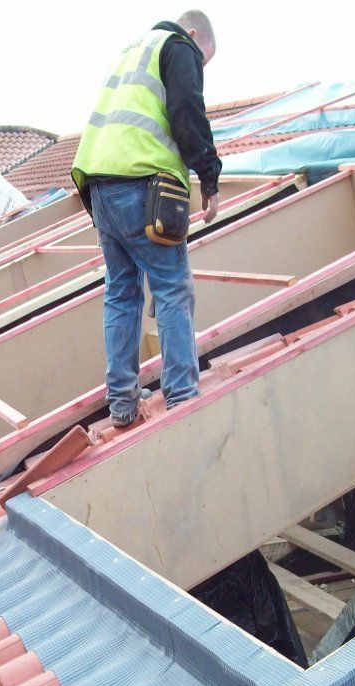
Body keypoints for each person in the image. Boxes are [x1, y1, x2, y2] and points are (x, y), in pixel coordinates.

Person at [71, 10, 222, 427]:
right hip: (141, 184)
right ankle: (183, 397)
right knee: (172, 288)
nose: (199, 67)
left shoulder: (130, 52)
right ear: (193, 33)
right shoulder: (178, 45)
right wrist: (209, 179)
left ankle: (122, 403)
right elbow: (187, 111)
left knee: (121, 292)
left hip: (98, 186)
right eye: (203, 60)